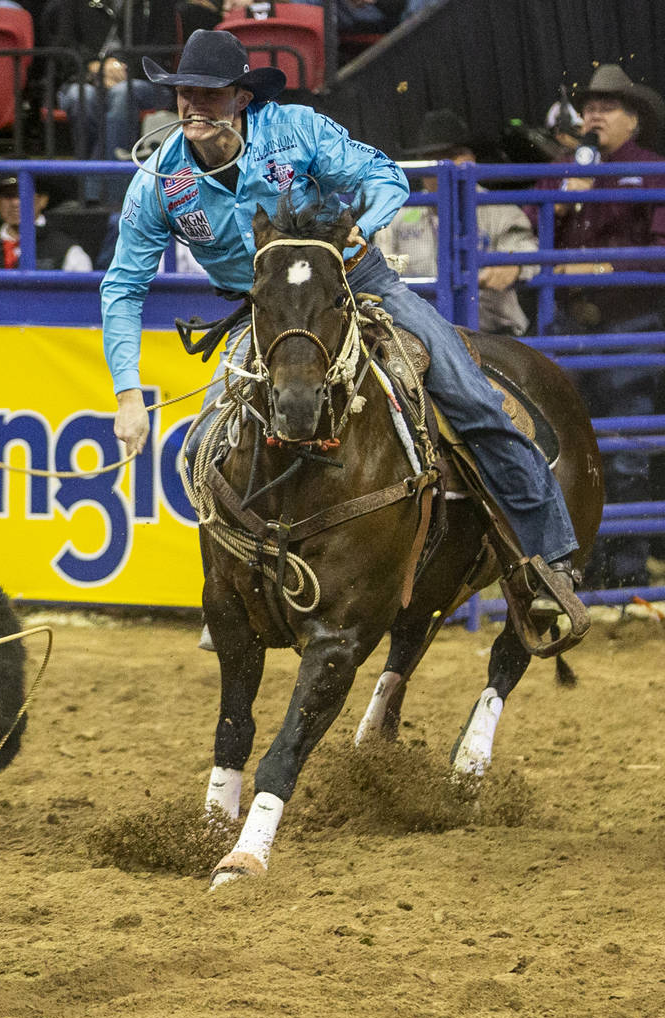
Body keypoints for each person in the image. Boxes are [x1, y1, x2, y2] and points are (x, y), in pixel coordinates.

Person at [100, 29, 583, 630]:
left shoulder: (296, 131)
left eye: (211, 93)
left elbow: (385, 177)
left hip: (356, 279)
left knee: (469, 393)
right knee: (206, 447)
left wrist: (366, 223)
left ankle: (551, 558)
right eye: (185, 93)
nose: (195, 106)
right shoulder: (158, 184)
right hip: (267, 310)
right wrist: (127, 393)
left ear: (242, 98)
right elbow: (122, 285)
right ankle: (236, 588)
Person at [537, 64, 665, 590]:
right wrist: (565, 196)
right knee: (561, 444)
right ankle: (571, 565)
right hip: (571, 323)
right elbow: (533, 221)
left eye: (607, 107)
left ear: (631, 119)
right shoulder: (565, 170)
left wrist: (606, 267)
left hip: (627, 321)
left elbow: (660, 253)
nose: (594, 115)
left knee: (626, 444)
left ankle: (626, 570)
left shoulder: (652, 170)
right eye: (589, 107)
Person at [372, 108, 538, 336]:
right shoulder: (399, 216)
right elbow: (383, 269)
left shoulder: (499, 209)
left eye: (447, 156)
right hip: (423, 334)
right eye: (429, 158)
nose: (438, 168)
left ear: (468, 159)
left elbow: (526, 247)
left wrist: (513, 266)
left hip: (494, 334)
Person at [39, 0, 177, 194]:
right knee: (82, 97)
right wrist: (92, 66)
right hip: (85, 78)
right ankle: (102, 187)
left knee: (122, 93)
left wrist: (124, 69)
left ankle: (105, 192)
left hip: (143, 81)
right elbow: (64, 43)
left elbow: (163, 45)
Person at [0, 175, 93, 271]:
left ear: (43, 200)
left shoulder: (69, 252)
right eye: (7, 195)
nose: (15, 203)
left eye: (22, 194)